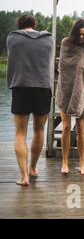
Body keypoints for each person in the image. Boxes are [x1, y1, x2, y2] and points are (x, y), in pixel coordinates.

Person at [6, 14, 53, 186]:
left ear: (20, 25)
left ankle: (24, 176)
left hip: (21, 87)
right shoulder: (49, 39)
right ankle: (33, 168)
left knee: (20, 133)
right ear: (35, 24)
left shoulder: (13, 38)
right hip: (42, 88)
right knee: (39, 130)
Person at [56, 19, 84, 175]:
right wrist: (80, 58)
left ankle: (82, 164)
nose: (82, 37)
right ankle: (64, 162)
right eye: (79, 34)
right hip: (66, 88)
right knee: (66, 127)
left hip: (83, 90)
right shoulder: (66, 43)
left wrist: (81, 57)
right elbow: (63, 66)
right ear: (75, 33)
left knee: (80, 128)